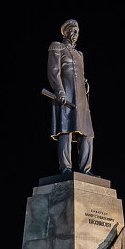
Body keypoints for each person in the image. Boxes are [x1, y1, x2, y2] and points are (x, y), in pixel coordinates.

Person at [48, 19, 94, 175]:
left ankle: (85, 170)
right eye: (72, 30)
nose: (75, 34)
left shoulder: (79, 54)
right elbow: (54, 72)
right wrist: (59, 90)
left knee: (87, 133)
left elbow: (80, 74)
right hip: (66, 94)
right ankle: (65, 168)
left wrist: (85, 83)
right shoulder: (57, 47)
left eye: (77, 32)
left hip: (81, 98)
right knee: (65, 130)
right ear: (66, 31)